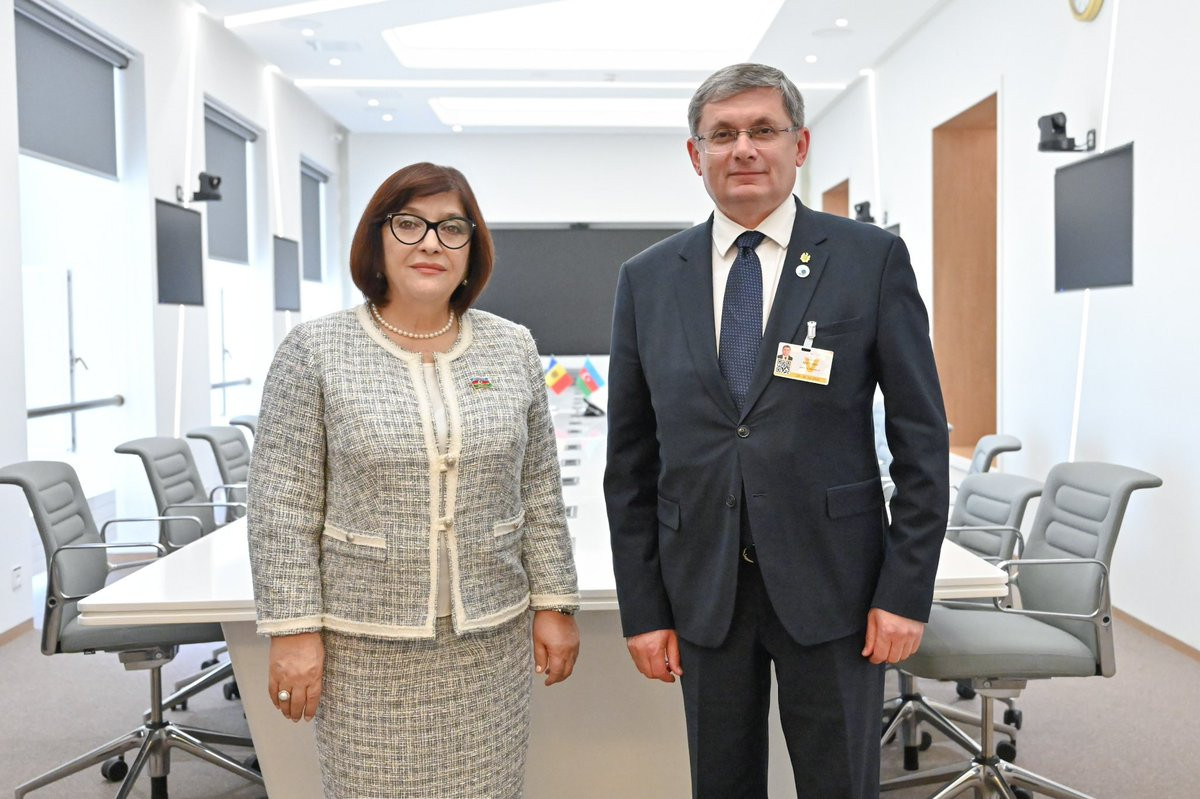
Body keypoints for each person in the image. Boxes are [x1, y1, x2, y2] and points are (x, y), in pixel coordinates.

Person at [604, 63, 948, 798]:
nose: (744, 149)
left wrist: (906, 589)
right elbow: (629, 462)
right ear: (695, 154)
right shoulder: (647, 278)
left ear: (800, 144)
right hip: (704, 589)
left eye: (764, 129)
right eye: (722, 134)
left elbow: (921, 441)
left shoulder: (869, 260)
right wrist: (644, 608)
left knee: (839, 784)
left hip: (838, 588)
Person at [248, 162, 581, 798]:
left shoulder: (512, 347)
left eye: (452, 228)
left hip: (489, 641)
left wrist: (555, 604)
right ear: (377, 238)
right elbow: (281, 506)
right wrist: (293, 629)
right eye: (410, 224)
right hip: (365, 642)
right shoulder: (315, 350)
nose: (431, 243)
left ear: (472, 247)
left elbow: (539, 490)